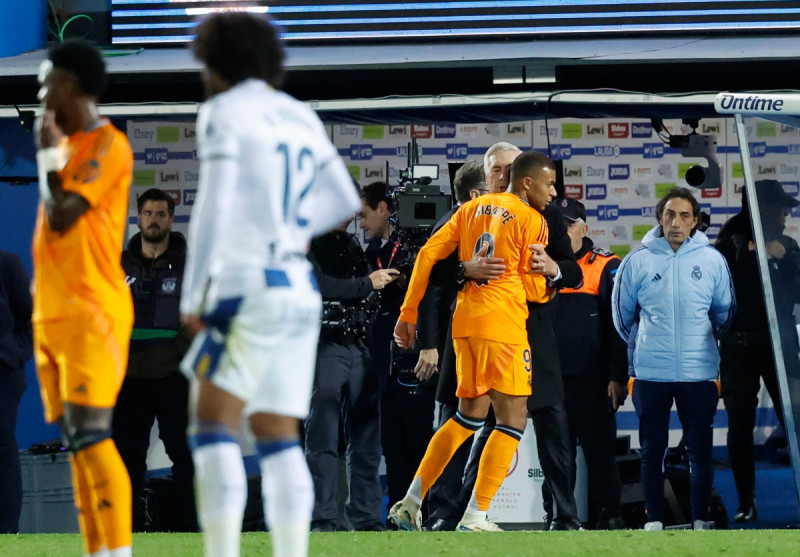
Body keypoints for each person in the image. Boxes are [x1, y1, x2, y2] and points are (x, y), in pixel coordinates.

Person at [181, 13, 361, 557]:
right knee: (279, 436)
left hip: (244, 285)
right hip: (297, 291)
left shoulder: (221, 112)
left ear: (219, 61)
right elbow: (343, 201)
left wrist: (193, 297)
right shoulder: (298, 114)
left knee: (211, 427)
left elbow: (211, 207)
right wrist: (287, 228)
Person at [388, 150, 550, 533]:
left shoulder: (468, 209)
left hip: (465, 326)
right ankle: (476, 516)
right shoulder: (533, 220)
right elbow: (532, 286)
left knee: (467, 417)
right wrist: (548, 281)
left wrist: (407, 313)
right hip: (504, 327)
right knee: (513, 419)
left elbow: (427, 254)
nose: (553, 190)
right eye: (550, 183)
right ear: (527, 182)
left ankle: (410, 502)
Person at [433, 144, 584, 532]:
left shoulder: (548, 215)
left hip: (533, 335)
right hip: (479, 333)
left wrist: (553, 268)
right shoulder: (466, 215)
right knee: (469, 423)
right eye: (496, 169)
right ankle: (447, 514)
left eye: (509, 167)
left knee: (552, 424)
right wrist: (464, 268)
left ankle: (565, 516)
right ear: (485, 175)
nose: (502, 174)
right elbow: (433, 268)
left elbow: (574, 272)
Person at [32, 40, 135, 556]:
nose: (41, 91)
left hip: (92, 310)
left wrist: (46, 153)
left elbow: (63, 213)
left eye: (45, 80)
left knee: (92, 435)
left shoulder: (107, 145)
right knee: (76, 443)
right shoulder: (69, 148)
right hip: (54, 315)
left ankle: (117, 551)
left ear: (69, 83)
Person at [612, 187, 735, 531]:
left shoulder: (712, 260)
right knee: (653, 448)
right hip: (652, 373)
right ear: (659, 218)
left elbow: (724, 313)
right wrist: (646, 345)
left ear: (695, 221)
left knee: (699, 448)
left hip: (699, 373)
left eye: (684, 216)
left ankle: (700, 518)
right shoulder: (638, 261)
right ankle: (655, 520)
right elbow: (622, 318)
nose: (676, 222)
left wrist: (703, 344)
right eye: (669, 214)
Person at [305, 200, 398, 532]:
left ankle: (366, 517)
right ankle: (322, 518)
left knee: (366, 440)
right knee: (323, 439)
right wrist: (367, 284)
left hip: (359, 345)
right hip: (325, 345)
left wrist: (378, 285)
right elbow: (319, 285)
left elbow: (366, 288)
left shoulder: (350, 243)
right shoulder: (306, 239)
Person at [715, 179, 800, 524]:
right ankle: (746, 500)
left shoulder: (789, 245)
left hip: (780, 345)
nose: (785, 214)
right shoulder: (727, 245)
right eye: (780, 207)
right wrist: (754, 256)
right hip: (738, 348)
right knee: (739, 425)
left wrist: (784, 259)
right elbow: (722, 296)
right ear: (762, 208)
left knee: (795, 421)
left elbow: (797, 294)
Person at [112, 188, 196, 532]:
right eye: (148, 213)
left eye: (160, 214)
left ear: (171, 220)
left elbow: (200, 316)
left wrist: (181, 353)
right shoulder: (118, 265)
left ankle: (190, 533)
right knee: (126, 460)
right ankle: (127, 533)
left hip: (174, 376)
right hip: (128, 378)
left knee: (186, 458)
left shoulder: (190, 266)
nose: (153, 220)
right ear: (138, 218)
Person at [415, 161, 490, 530]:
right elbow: (431, 286)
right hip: (452, 344)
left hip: (482, 340)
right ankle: (441, 510)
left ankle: (460, 507)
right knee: (454, 422)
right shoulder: (452, 223)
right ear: (475, 195)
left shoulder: (486, 222)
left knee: (494, 425)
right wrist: (428, 344)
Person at [359, 181, 436, 516]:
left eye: (364, 215)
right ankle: (398, 514)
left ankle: (425, 510)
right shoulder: (368, 256)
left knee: (418, 441)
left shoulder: (421, 251)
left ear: (383, 208)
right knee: (391, 445)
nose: (360, 223)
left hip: (413, 356)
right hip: (380, 362)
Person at [551, 197, 628, 529]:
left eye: (568, 224)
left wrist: (617, 376)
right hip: (552, 382)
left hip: (595, 382)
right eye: (555, 224)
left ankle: (609, 515)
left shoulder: (607, 265)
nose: (561, 231)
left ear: (584, 227)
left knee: (601, 457)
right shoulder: (541, 266)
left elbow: (619, 329)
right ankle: (559, 517)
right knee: (556, 458)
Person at [0, 249, 32, 534]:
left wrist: (15, 355)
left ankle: (6, 531)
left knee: (1, 446)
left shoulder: (7, 263)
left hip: (3, 374)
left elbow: (30, 316)